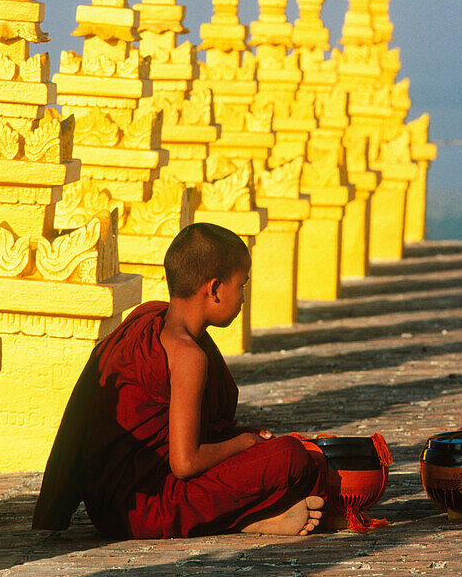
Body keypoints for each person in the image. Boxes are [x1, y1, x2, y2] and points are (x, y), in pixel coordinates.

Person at [33, 223, 325, 538]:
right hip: (148, 509)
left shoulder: (148, 317)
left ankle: (255, 517)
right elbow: (185, 463)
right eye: (242, 285)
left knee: (272, 450)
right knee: (292, 456)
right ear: (214, 289)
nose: (243, 297)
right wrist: (243, 444)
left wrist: (241, 438)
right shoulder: (187, 355)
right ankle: (248, 519)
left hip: (108, 505)